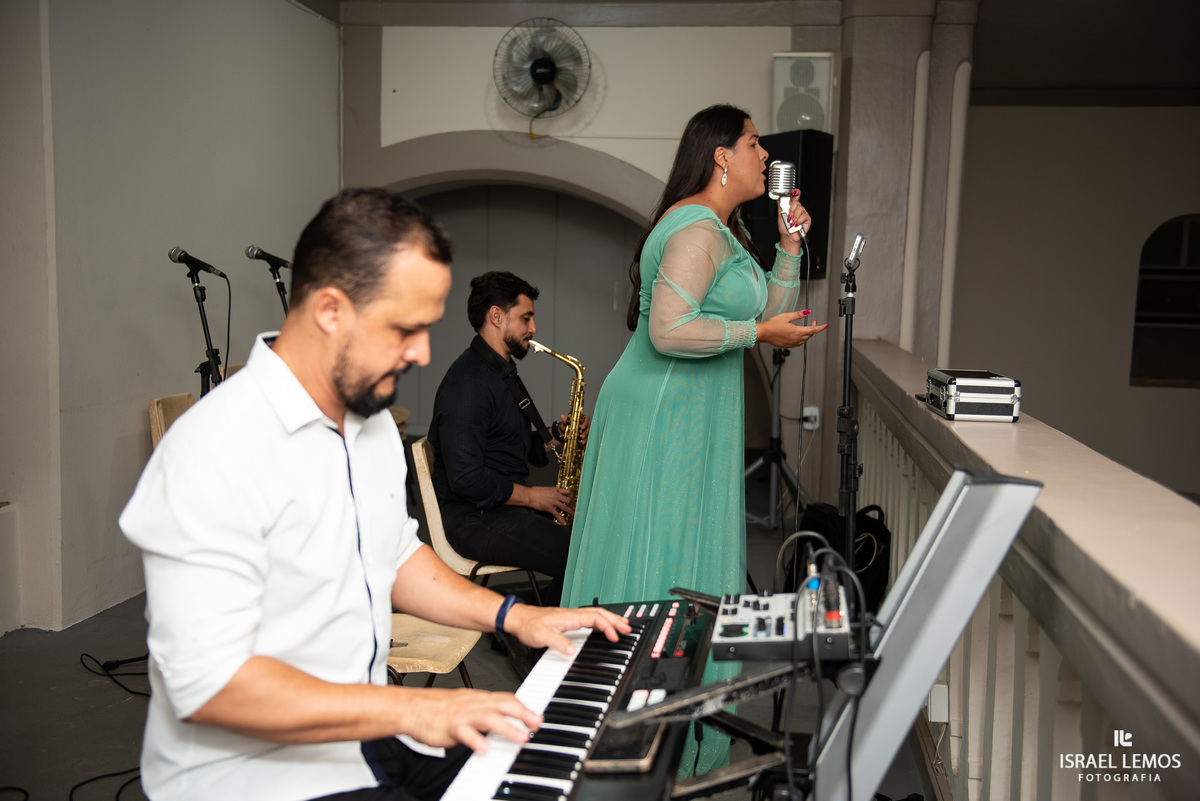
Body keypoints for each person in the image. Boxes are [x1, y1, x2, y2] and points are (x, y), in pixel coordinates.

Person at [119, 188, 628, 801]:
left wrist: (518, 617)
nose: (421, 353)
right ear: (332, 310)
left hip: (359, 740)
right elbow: (209, 688)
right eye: (405, 328)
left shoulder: (369, 427)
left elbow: (393, 555)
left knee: (561, 774)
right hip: (254, 776)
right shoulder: (213, 450)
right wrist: (414, 714)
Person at [560, 104, 827, 773]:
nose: (764, 155)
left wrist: (790, 246)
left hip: (693, 410)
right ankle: (627, 724)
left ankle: (672, 724)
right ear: (720, 155)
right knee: (657, 551)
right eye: (753, 143)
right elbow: (669, 331)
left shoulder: (727, 230)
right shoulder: (691, 225)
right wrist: (759, 336)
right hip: (661, 411)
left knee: (684, 551)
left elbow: (772, 309)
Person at [429, 272, 582, 612]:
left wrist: (557, 435)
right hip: (473, 518)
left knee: (586, 540)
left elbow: (509, 446)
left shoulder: (499, 370)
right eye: (526, 318)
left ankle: (527, 621)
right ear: (496, 316)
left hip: (496, 508)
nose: (534, 328)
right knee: (579, 556)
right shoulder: (468, 384)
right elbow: (466, 478)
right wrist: (532, 497)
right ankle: (536, 638)